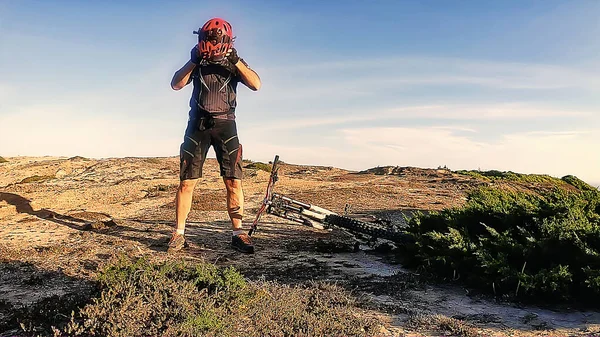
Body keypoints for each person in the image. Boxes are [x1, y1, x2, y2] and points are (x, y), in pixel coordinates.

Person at [168, 17, 261, 254]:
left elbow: (256, 84)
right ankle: (178, 234)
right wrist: (192, 61)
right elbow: (176, 84)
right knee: (187, 182)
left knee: (233, 181)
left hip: (226, 125)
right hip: (197, 125)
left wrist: (236, 61)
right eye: (207, 39)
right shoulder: (197, 61)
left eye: (214, 39)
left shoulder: (233, 61)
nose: (211, 43)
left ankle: (238, 233)